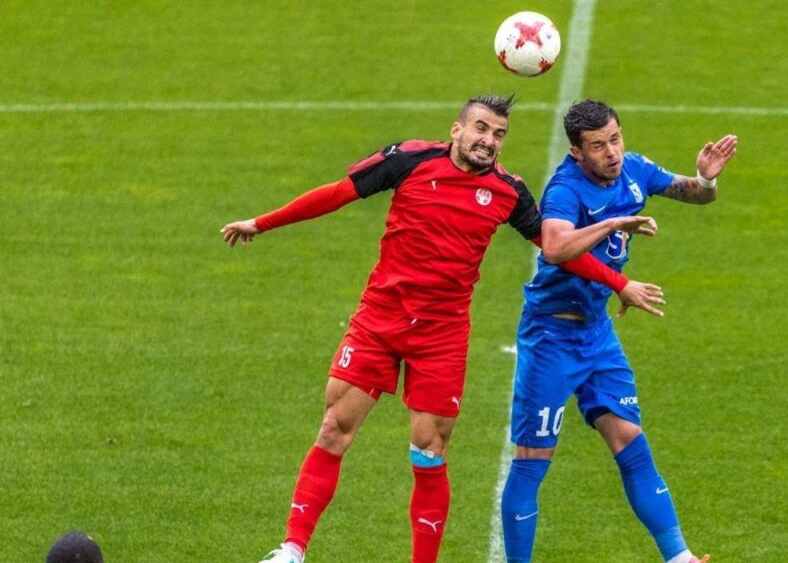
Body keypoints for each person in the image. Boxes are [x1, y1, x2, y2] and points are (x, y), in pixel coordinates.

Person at [220, 95, 666, 563]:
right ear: (456, 130)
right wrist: (262, 223)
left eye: (498, 134)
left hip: (442, 337)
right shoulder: (409, 160)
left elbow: (558, 249)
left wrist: (620, 282)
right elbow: (337, 193)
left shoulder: (509, 192)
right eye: (480, 128)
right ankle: (292, 548)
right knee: (334, 427)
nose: (487, 141)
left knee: (429, 450)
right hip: (380, 320)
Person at [500, 99, 738, 563]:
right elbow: (553, 245)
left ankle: (679, 557)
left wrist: (706, 177)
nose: (611, 152)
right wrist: (612, 225)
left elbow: (695, 193)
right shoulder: (565, 190)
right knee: (533, 461)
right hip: (551, 337)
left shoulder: (634, 169)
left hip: (597, 335)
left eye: (615, 138)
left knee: (629, 438)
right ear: (576, 151)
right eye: (597, 145)